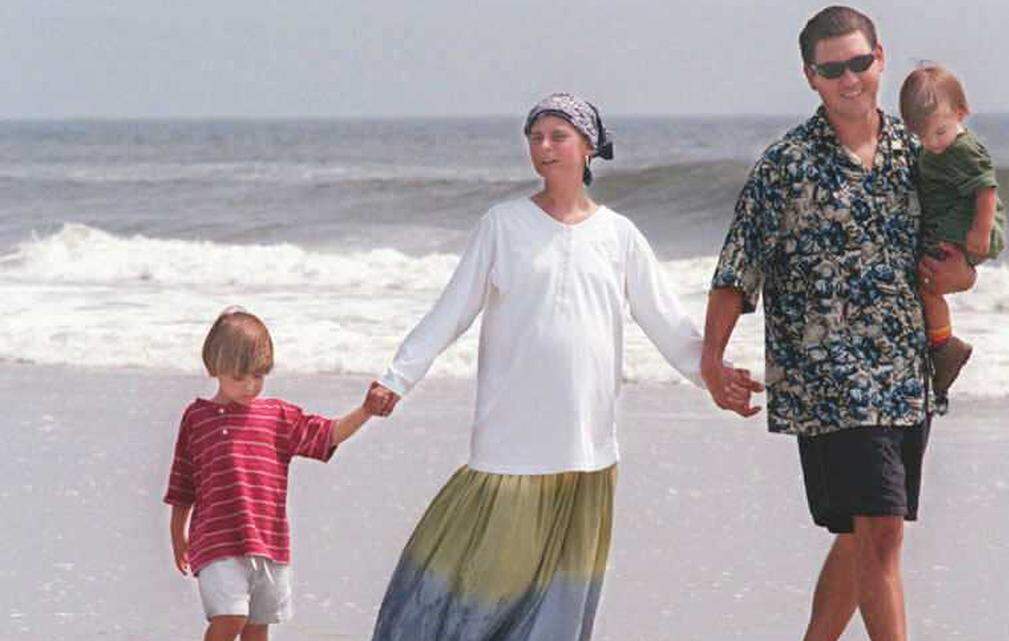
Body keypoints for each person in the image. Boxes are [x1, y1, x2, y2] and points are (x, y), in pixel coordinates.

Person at [365, 92, 760, 641]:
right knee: (473, 590)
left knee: (559, 610)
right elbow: (450, 311)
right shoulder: (503, 224)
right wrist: (398, 377)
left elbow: (668, 325)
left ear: (589, 146)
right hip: (509, 447)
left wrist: (714, 377)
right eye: (535, 137)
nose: (544, 147)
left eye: (558, 135)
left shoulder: (619, 236)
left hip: (587, 450)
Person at [700, 7, 976, 641]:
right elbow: (736, 270)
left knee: (866, 535)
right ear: (811, 77)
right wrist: (712, 362)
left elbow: (958, 262)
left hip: (907, 375)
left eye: (859, 63)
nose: (850, 78)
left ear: (880, 59)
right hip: (826, 379)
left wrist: (961, 272)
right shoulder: (785, 165)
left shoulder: (922, 156)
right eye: (833, 69)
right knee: (879, 530)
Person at [164, 307, 386, 641]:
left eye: (258, 375)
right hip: (215, 541)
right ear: (215, 368)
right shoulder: (197, 418)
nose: (251, 386)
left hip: (268, 541)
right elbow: (183, 482)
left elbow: (327, 434)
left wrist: (366, 411)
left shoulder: (278, 417)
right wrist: (177, 533)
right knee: (230, 617)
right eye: (240, 377)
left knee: (257, 629)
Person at [899, 63, 1007, 400]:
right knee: (927, 286)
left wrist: (979, 231)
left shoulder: (962, 149)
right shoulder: (936, 145)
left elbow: (986, 190)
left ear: (962, 112)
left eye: (940, 131)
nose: (931, 143)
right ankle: (943, 344)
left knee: (928, 283)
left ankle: (944, 346)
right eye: (921, 136)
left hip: (968, 231)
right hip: (950, 227)